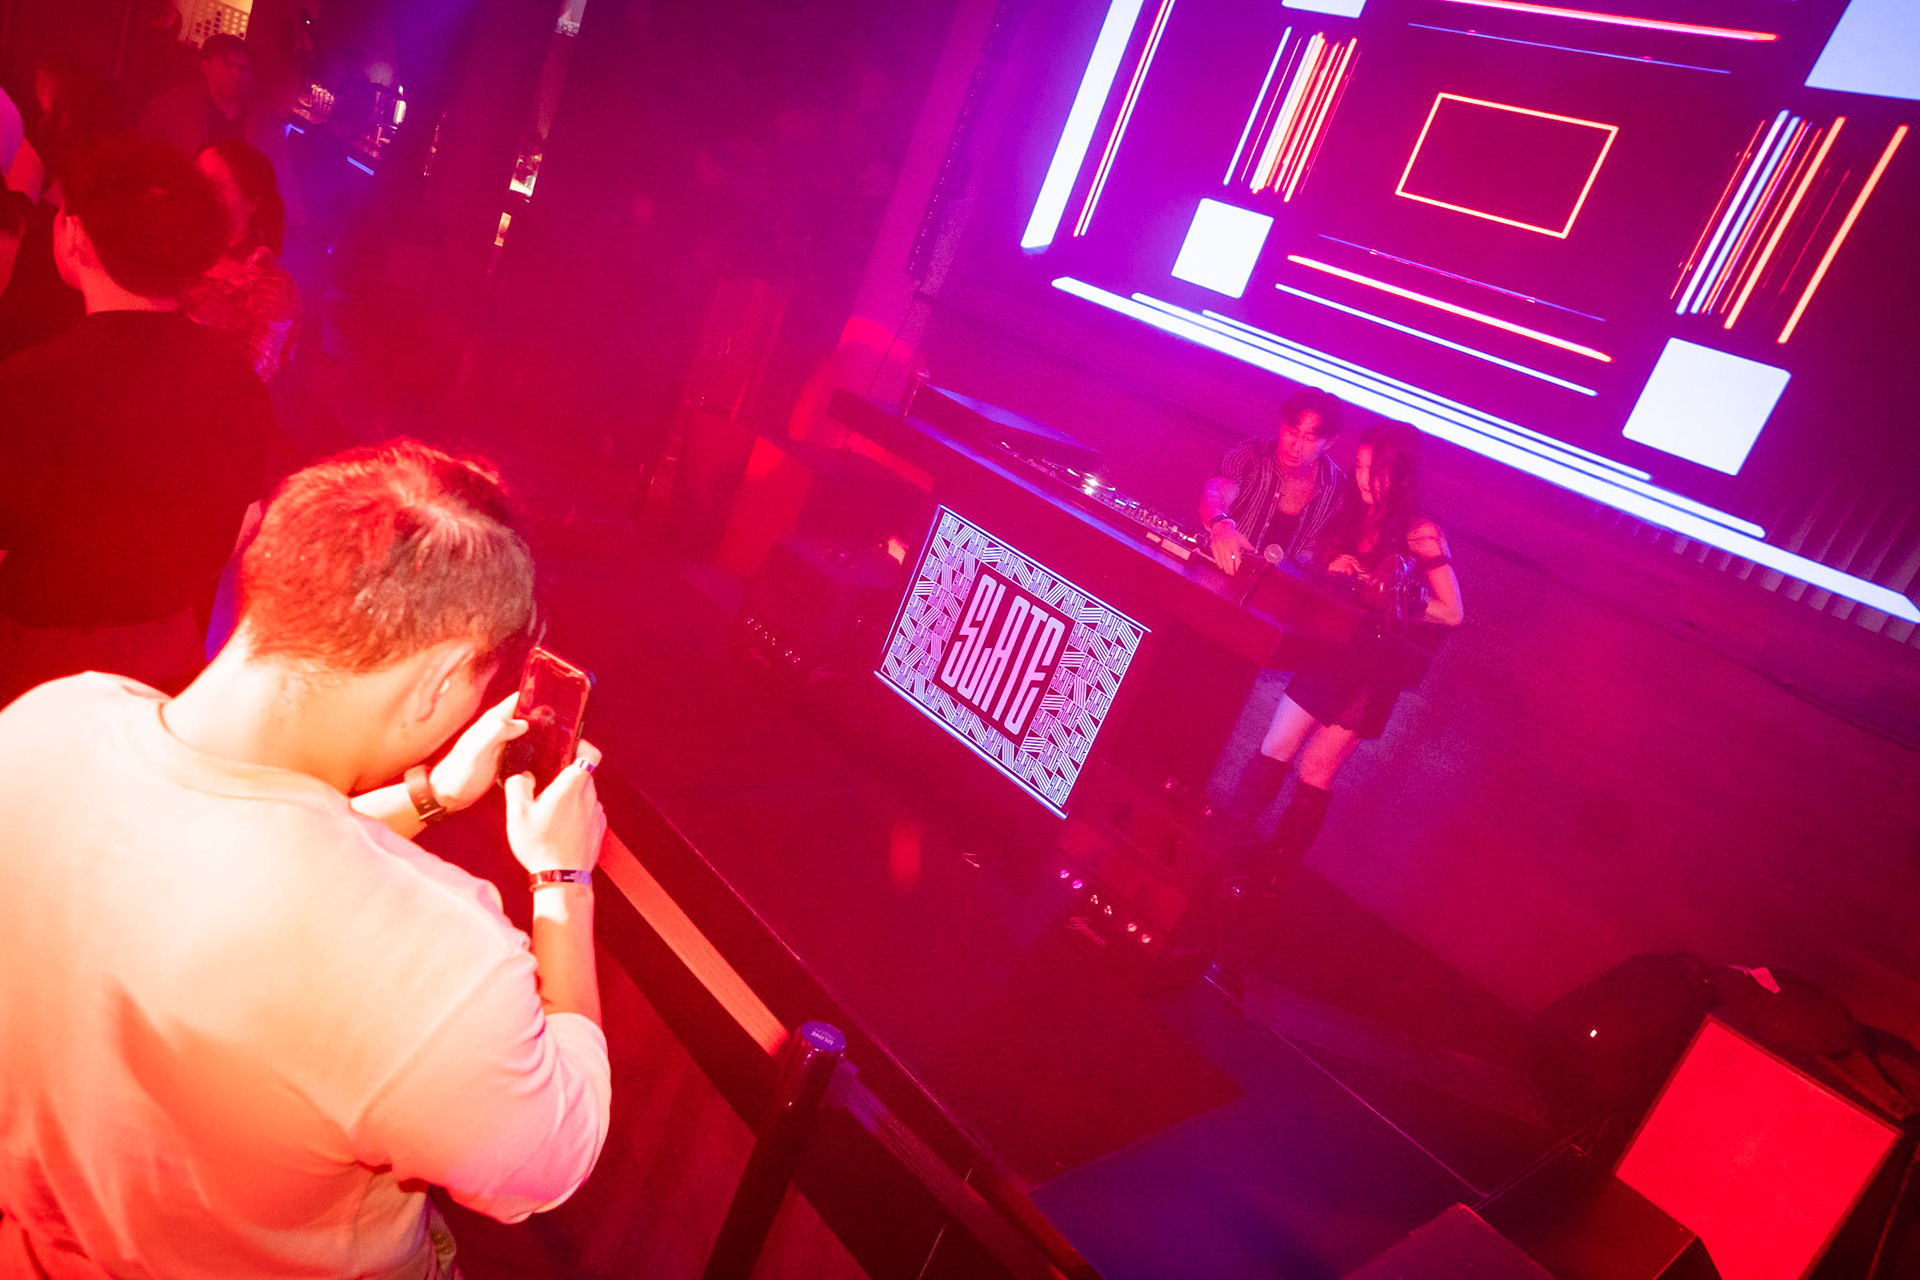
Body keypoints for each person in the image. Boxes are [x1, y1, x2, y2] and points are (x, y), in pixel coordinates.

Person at [0, 440, 613, 1278]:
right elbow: (550, 1160)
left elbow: (215, 851)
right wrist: (562, 881)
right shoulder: (436, 954)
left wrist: (431, 795)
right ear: (439, 683)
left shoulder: (48, 721)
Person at [0, 138, 278, 704]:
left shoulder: (31, 382)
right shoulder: (235, 376)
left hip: (38, 663)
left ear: (75, 235)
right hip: (169, 655)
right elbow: (247, 518)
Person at [1229, 421, 1464, 896]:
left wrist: (1393, 593)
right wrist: (1334, 568)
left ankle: (1271, 878)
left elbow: (1453, 612)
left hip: (1373, 672)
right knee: (1274, 747)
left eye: (1374, 471)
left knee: (1315, 771)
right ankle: (1224, 843)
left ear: (1400, 475)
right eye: (1358, 466)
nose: (1362, 479)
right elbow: (1319, 569)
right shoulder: (1354, 512)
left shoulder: (1420, 531)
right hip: (1333, 651)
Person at [1200, 387, 1348, 576]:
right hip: (1214, 571)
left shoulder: (1337, 489)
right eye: (1292, 432)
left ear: (1329, 442)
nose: (1296, 446)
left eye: (1309, 439)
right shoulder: (1250, 454)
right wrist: (1221, 523)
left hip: (1277, 591)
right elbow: (1215, 493)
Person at [186, 137, 300, 380]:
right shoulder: (179, 245)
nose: (195, 192)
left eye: (213, 185)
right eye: (195, 178)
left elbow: (258, 375)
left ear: (252, 202)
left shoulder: (272, 285)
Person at [138, 34, 291, 188]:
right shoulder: (169, 105)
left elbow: (281, 180)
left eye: (244, 68)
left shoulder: (267, 126)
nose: (237, 73)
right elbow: (144, 158)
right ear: (206, 66)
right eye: (228, 64)